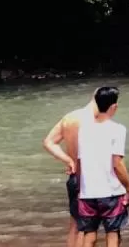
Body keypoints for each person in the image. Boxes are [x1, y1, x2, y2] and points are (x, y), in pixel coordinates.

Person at [75, 86, 129, 247]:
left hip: (87, 192)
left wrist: (80, 188)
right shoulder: (118, 129)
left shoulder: (83, 129)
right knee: (113, 233)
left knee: (89, 234)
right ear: (114, 107)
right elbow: (117, 163)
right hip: (111, 192)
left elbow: (79, 162)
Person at [43, 91, 100, 247]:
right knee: (87, 228)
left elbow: (49, 142)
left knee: (75, 226)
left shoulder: (70, 117)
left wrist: (68, 159)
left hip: (74, 176)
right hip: (90, 178)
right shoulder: (97, 121)